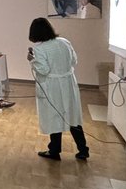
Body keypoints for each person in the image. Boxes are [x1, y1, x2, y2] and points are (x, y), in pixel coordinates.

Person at [28, 18, 89, 161]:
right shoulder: (64, 42)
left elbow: (43, 70)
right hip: (68, 82)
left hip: (52, 85)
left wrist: (32, 59)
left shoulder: (39, 49)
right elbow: (74, 61)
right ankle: (83, 150)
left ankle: (54, 150)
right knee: (73, 115)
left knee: (54, 115)